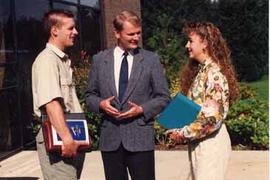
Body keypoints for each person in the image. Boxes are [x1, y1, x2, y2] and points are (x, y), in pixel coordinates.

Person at [85, 10, 170, 180]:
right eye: (131, 34)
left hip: (140, 139)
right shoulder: (100, 60)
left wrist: (142, 109)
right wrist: (101, 104)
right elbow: (89, 96)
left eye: (138, 33)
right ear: (116, 33)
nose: (136, 38)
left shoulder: (150, 60)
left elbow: (164, 97)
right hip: (111, 140)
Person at [167, 22, 238, 180]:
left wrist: (182, 133)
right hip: (201, 143)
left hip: (210, 145)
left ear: (205, 43)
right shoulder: (202, 72)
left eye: (191, 41)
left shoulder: (214, 75)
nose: (187, 45)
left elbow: (211, 120)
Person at [32, 9, 85, 180]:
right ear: (54, 30)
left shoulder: (61, 60)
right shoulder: (47, 60)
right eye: (70, 28)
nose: (75, 32)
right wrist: (66, 138)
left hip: (69, 136)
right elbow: (51, 103)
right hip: (60, 138)